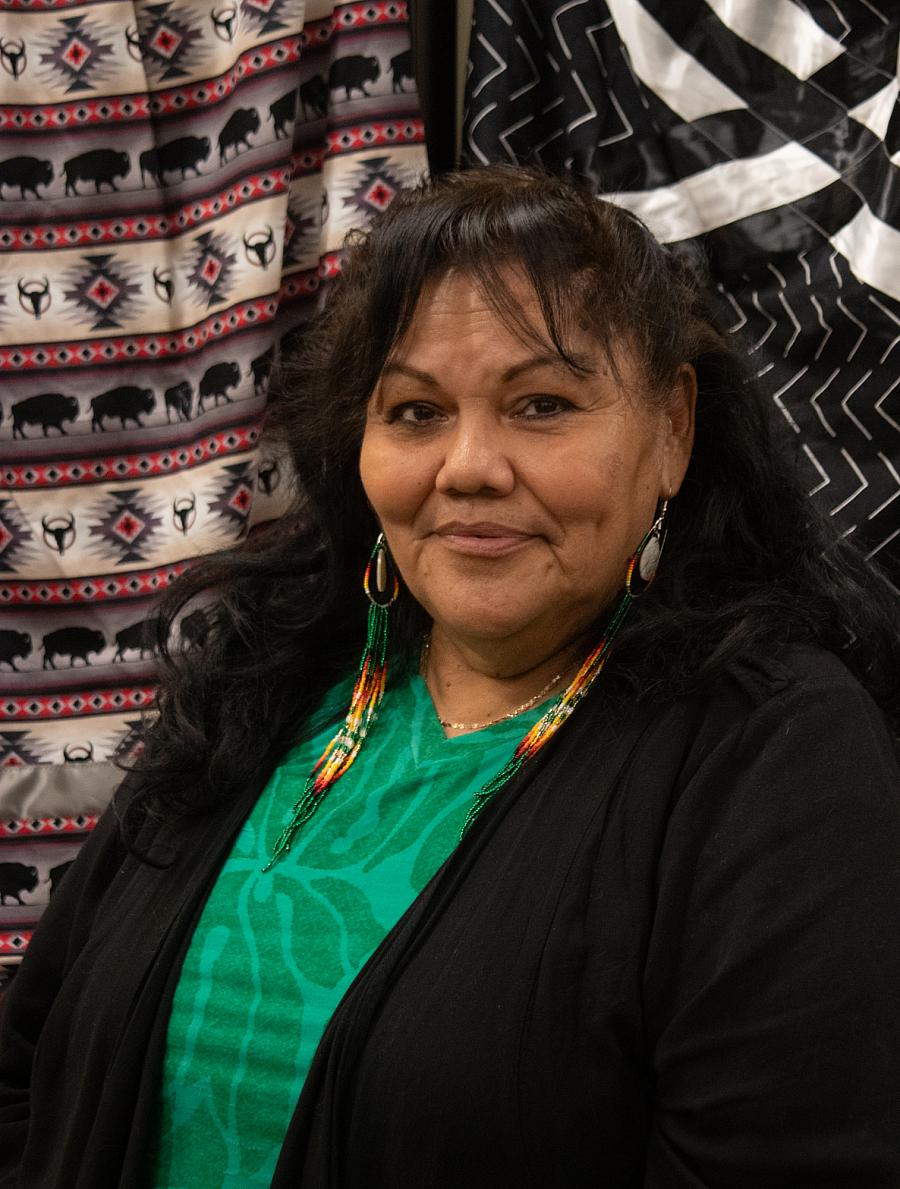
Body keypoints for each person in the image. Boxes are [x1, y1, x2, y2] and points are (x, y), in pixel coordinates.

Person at [2, 165, 900, 1189]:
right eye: (418, 411)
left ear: (672, 431)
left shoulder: (778, 754)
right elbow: (30, 1068)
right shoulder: (265, 685)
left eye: (543, 403)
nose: (467, 464)